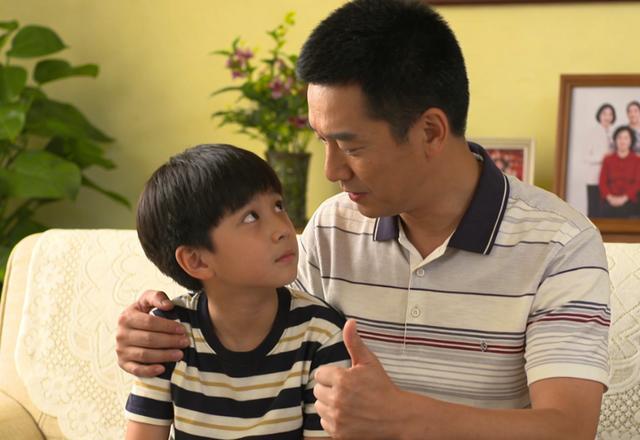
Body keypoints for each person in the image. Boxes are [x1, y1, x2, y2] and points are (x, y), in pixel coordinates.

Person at [116, 1, 611, 438]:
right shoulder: (331, 229)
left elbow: (569, 428)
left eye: (351, 146)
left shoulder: (560, 244)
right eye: (322, 141)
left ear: (430, 132)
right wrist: (153, 332)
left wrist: (407, 418)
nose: (331, 171)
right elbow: (252, 322)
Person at [124, 144, 349, 439]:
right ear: (197, 260)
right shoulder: (168, 336)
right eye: (251, 217)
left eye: (278, 205)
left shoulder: (320, 335)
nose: (283, 228)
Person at [598, 126, 640, 218]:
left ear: (631, 141)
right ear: (615, 140)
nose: (622, 141)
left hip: (630, 201)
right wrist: (610, 198)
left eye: (626, 138)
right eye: (619, 137)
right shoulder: (608, 159)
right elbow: (602, 182)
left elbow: (637, 183)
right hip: (609, 201)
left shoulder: (637, 160)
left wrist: (624, 198)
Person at [585, 103, 616, 216]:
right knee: (594, 211)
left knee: (606, 211)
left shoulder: (613, 133)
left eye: (610, 114)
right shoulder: (592, 132)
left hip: (610, 179)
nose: (607, 117)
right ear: (599, 115)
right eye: (604, 114)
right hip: (595, 178)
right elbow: (585, 156)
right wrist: (602, 158)